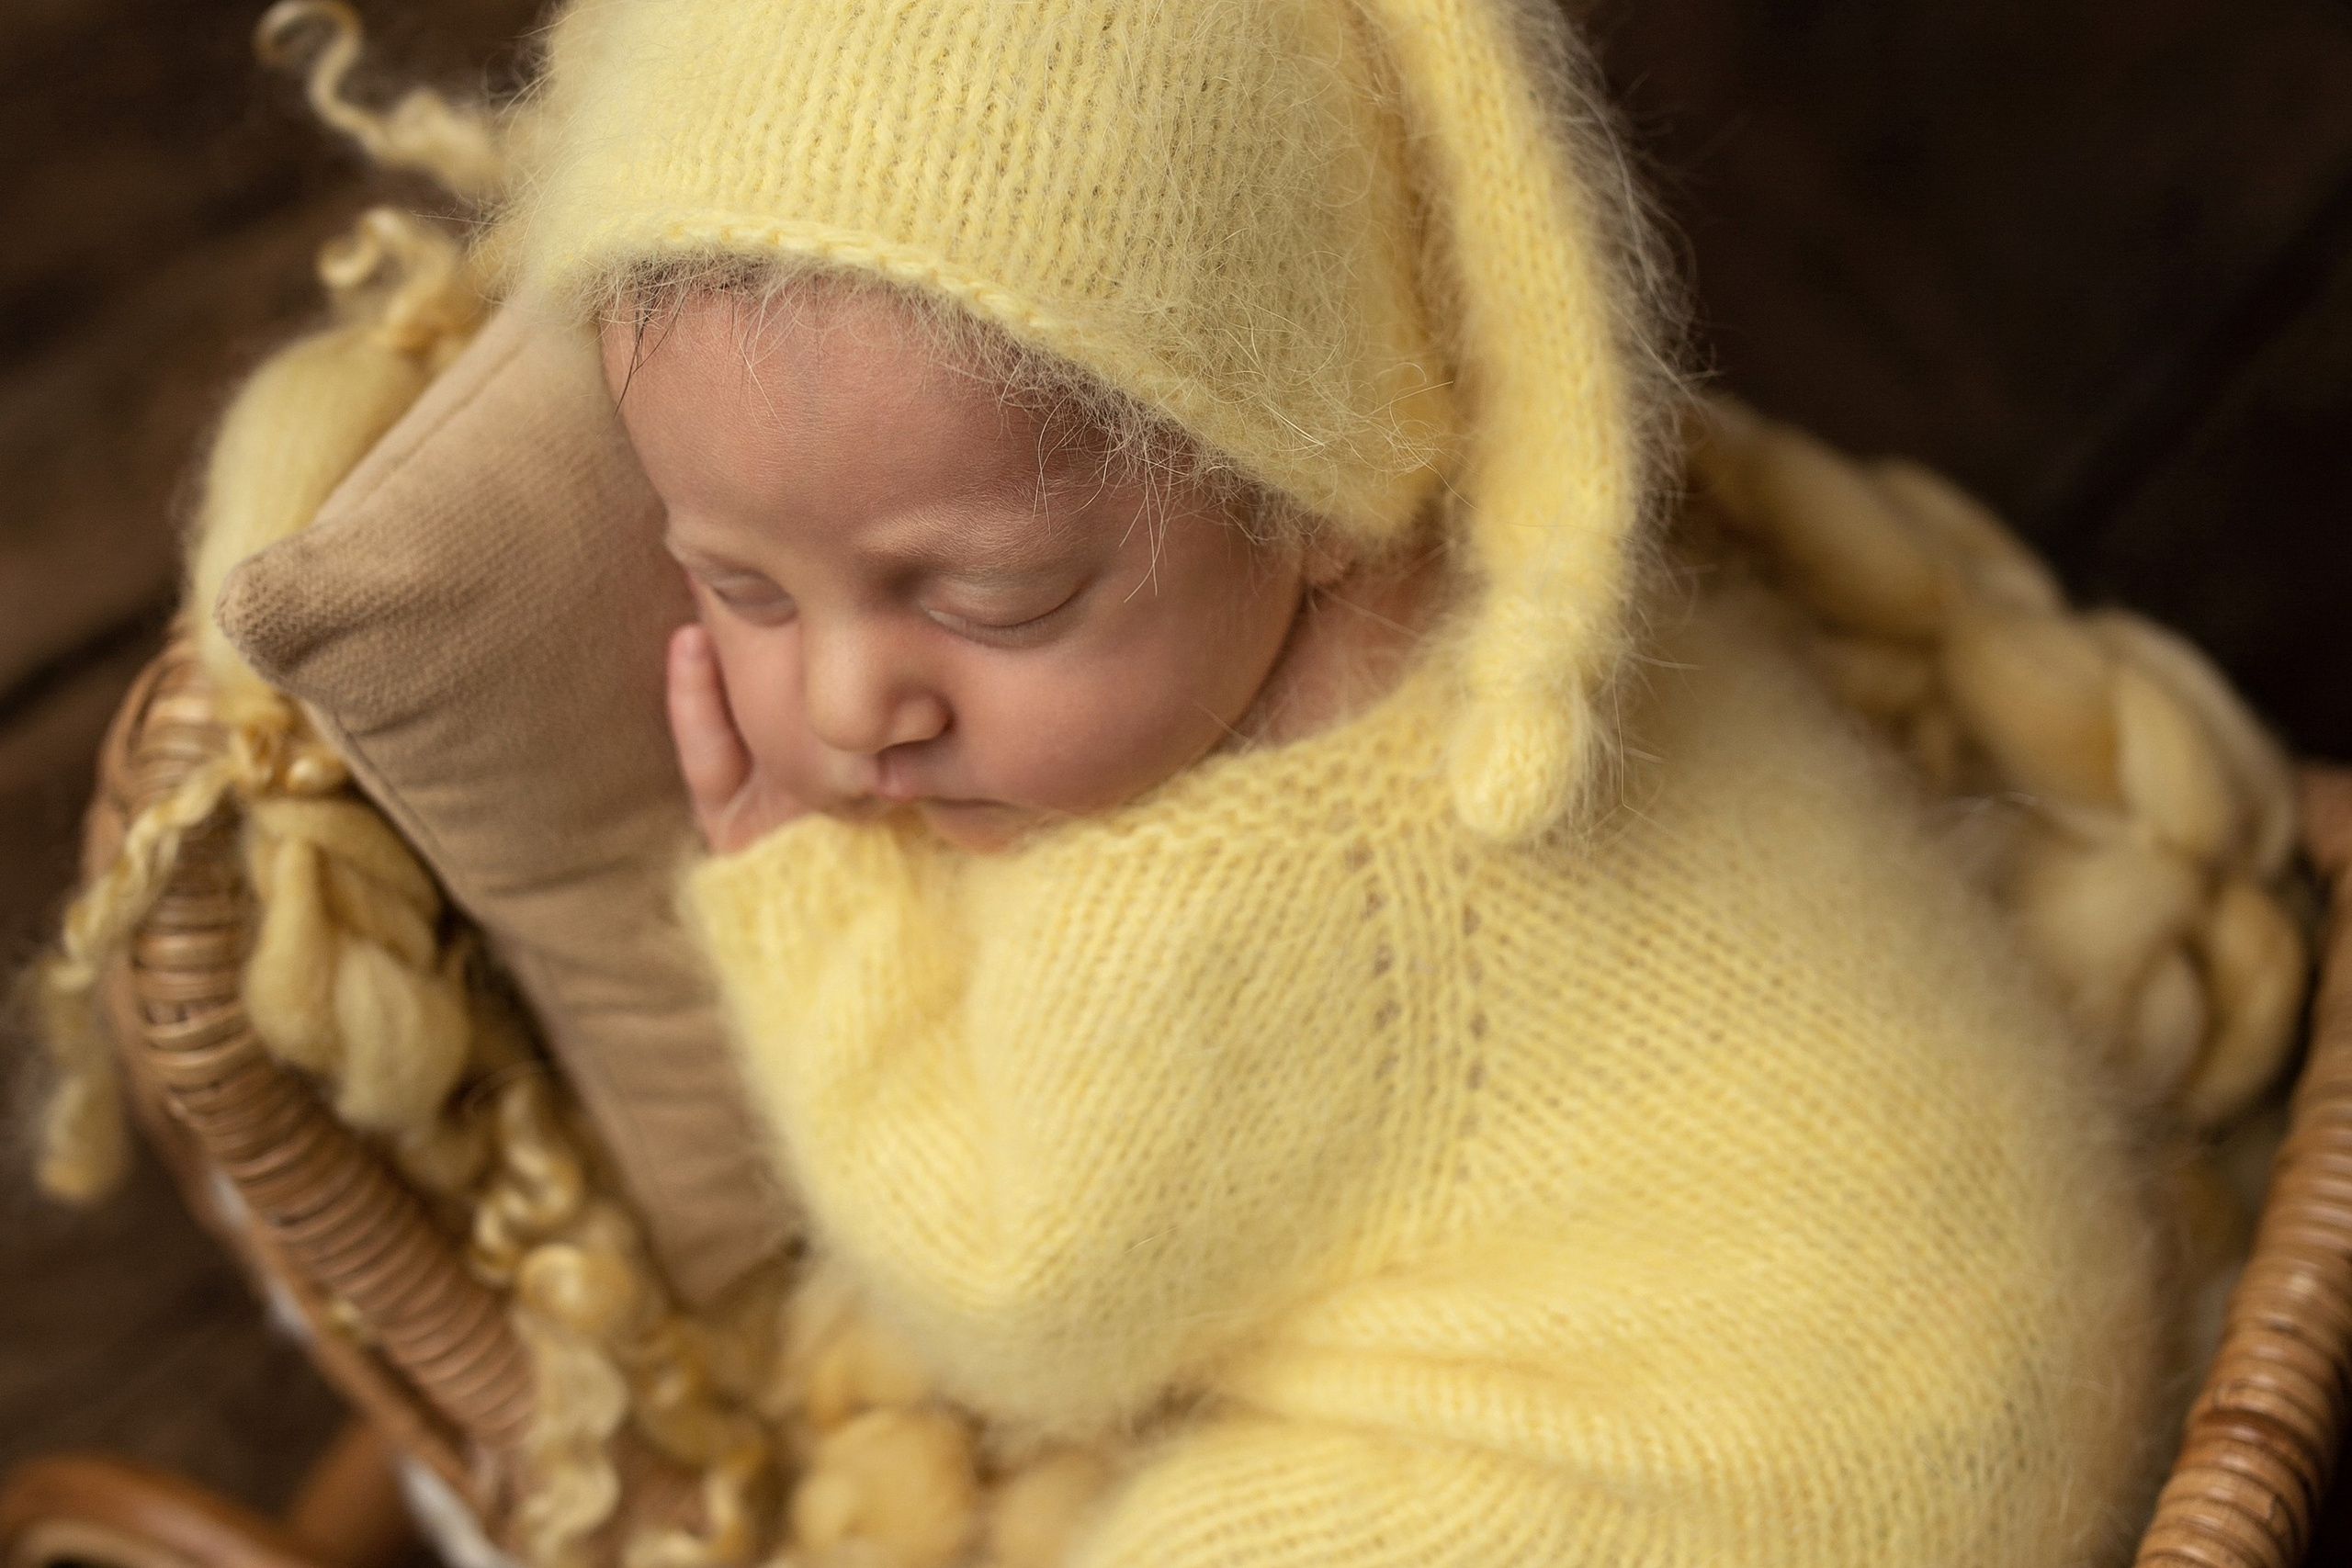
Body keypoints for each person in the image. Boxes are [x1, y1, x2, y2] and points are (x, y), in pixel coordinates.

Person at [537, 0, 2174, 1561]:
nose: (843, 705)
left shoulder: (1224, 907)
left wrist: (809, 897)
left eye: (993, 602)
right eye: (739, 588)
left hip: (1772, 1482)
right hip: (2007, 1298)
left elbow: (1008, 1297)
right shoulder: (1520, 572)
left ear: (1309, 484)